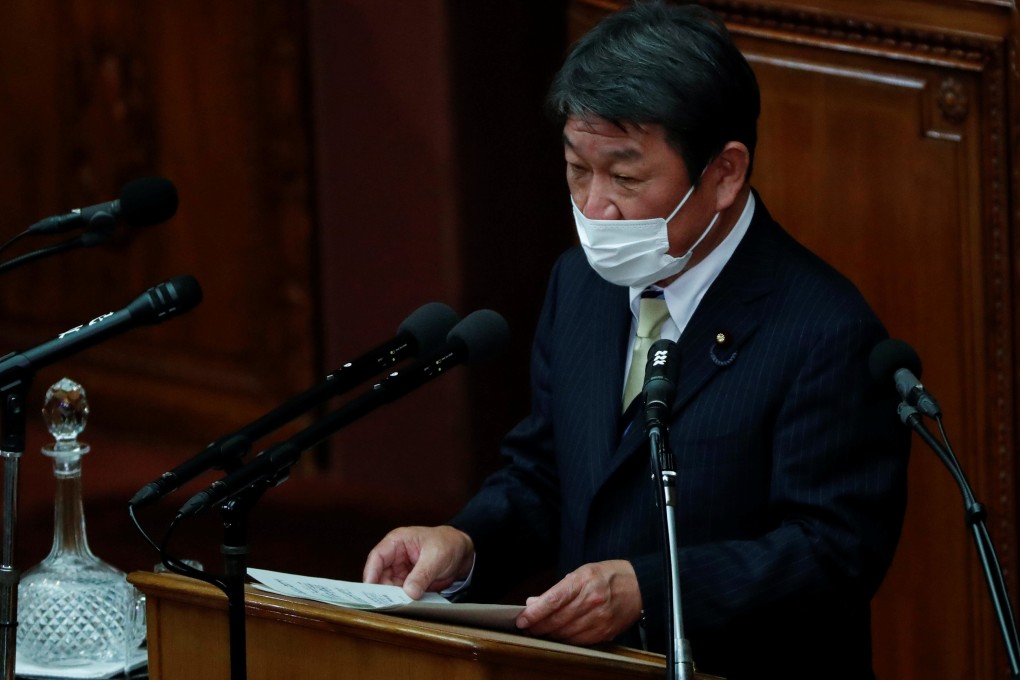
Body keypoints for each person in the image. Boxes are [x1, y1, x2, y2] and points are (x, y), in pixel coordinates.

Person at [363, 3, 909, 678]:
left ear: (725, 173)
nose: (595, 207)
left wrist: (651, 591)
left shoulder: (826, 330)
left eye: (624, 177)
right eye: (576, 169)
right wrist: (466, 541)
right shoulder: (581, 285)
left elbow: (832, 552)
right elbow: (545, 471)